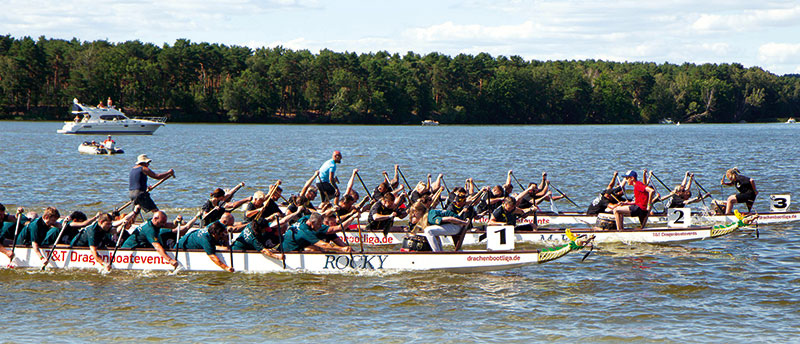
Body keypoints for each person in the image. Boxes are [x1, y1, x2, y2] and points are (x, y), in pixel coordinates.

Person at [279, 213, 352, 253]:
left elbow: (321, 214)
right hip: (288, 252)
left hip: (293, 246)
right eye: (319, 224)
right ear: (312, 223)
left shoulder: (304, 219)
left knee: (317, 248)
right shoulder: (305, 232)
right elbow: (323, 245)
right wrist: (341, 249)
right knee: (318, 248)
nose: (321, 227)